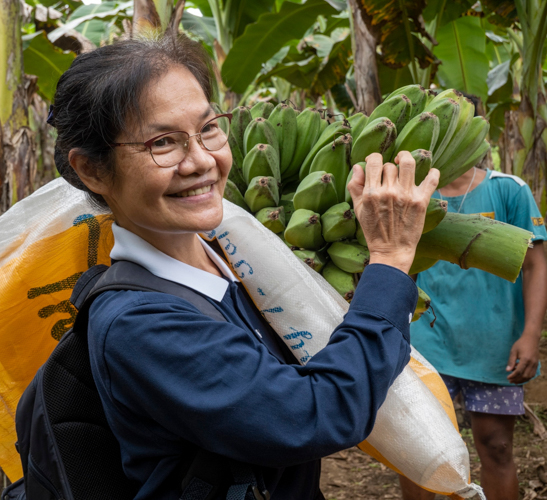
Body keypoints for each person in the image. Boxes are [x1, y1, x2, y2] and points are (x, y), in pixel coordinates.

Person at [49, 33, 440, 500]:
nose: (202, 161)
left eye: (209, 128)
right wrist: (390, 260)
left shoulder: (241, 266)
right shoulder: (141, 324)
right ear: (92, 169)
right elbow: (314, 414)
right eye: (163, 142)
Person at [399, 164, 547, 500]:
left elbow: (536, 264)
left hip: (494, 343)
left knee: (496, 445)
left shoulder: (509, 190)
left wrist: (531, 335)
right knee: (419, 449)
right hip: (426, 342)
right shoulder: (413, 190)